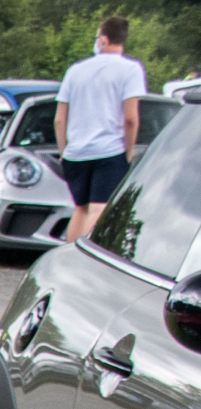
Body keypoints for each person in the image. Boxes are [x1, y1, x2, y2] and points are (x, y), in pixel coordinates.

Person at [57, 15, 147, 242]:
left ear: (104, 39)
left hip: (76, 152)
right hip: (109, 150)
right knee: (99, 209)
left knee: (80, 209)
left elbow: (60, 119)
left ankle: (68, 258)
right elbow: (130, 118)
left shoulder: (75, 70)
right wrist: (127, 152)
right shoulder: (131, 69)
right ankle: (85, 260)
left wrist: (64, 151)